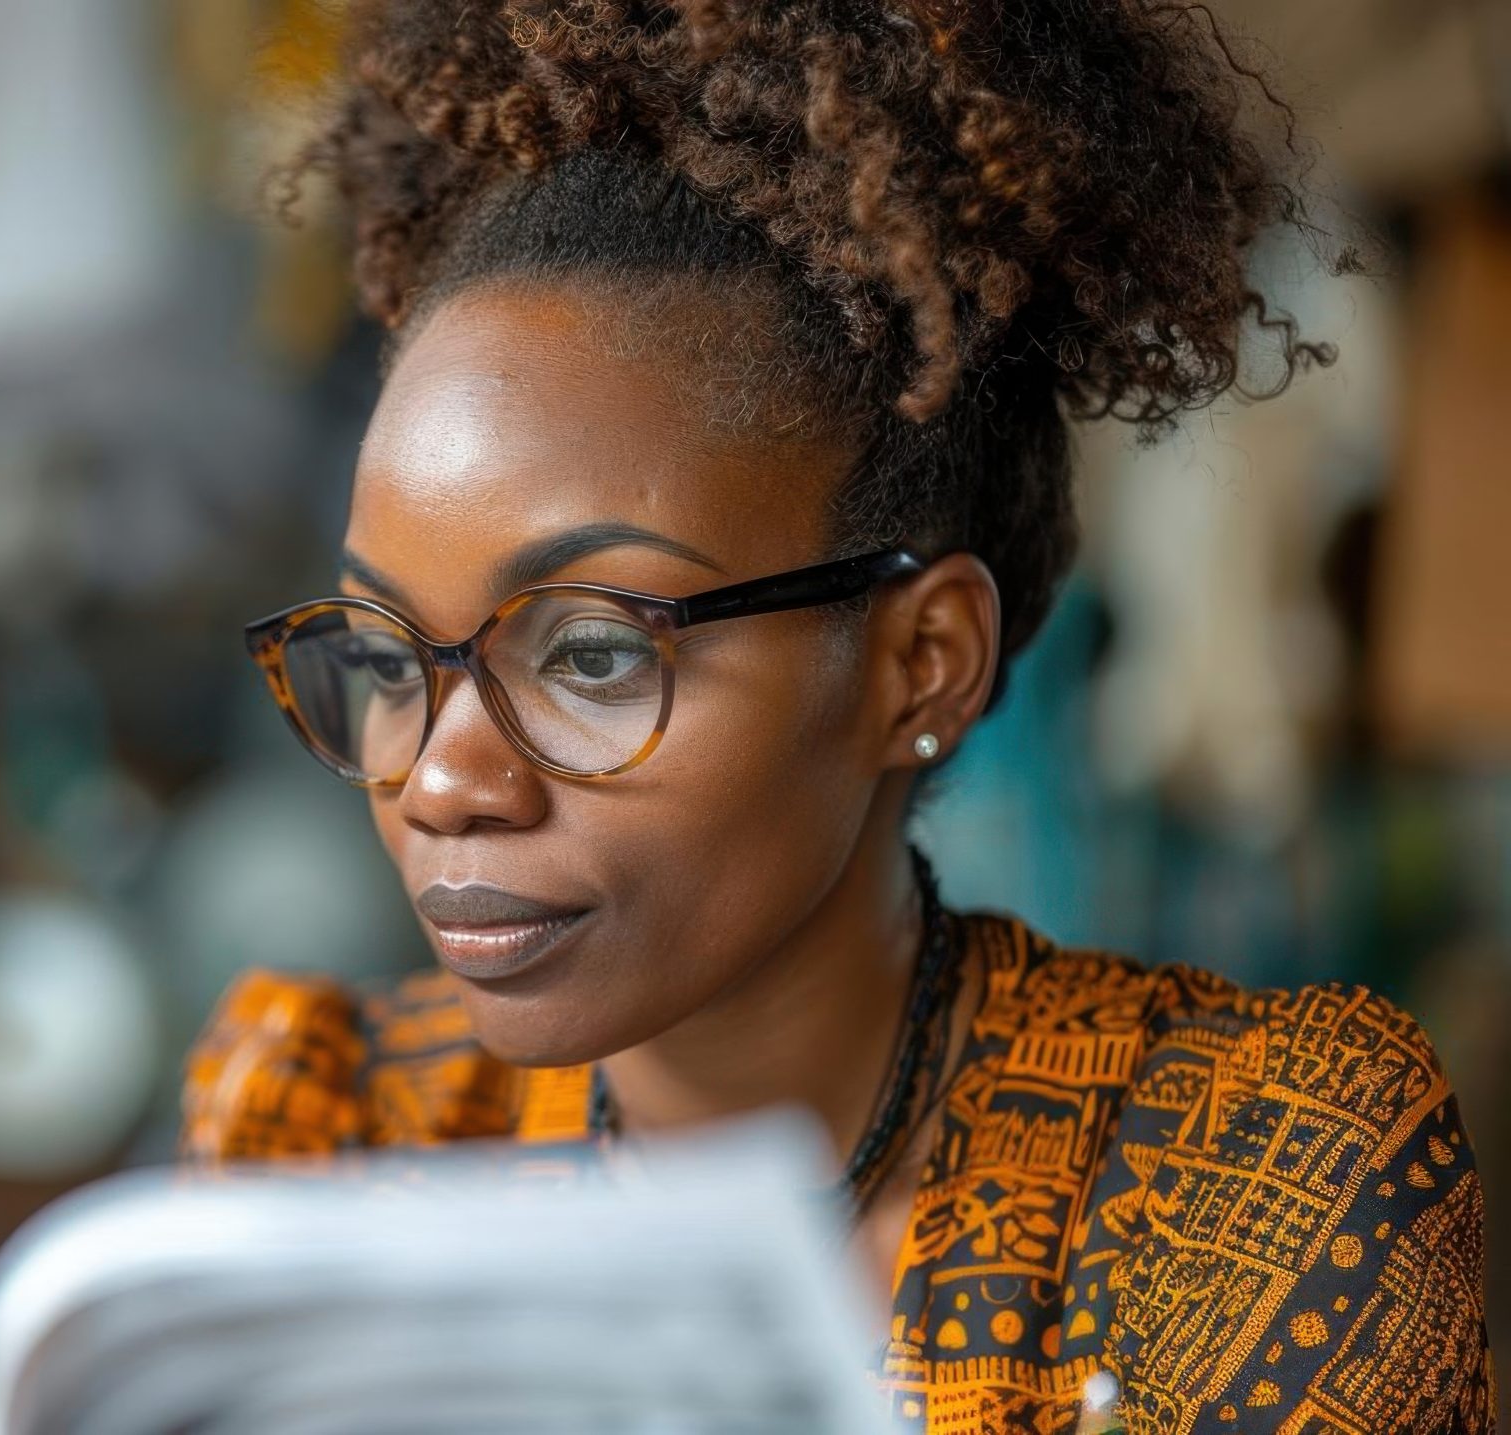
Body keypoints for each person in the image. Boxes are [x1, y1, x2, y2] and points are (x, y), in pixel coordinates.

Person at [176, 1, 1496, 1429]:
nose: (442, 782)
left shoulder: (1248, 1188)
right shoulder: (330, 1141)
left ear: (918, 665)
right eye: (387, 658)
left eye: (594, 656)